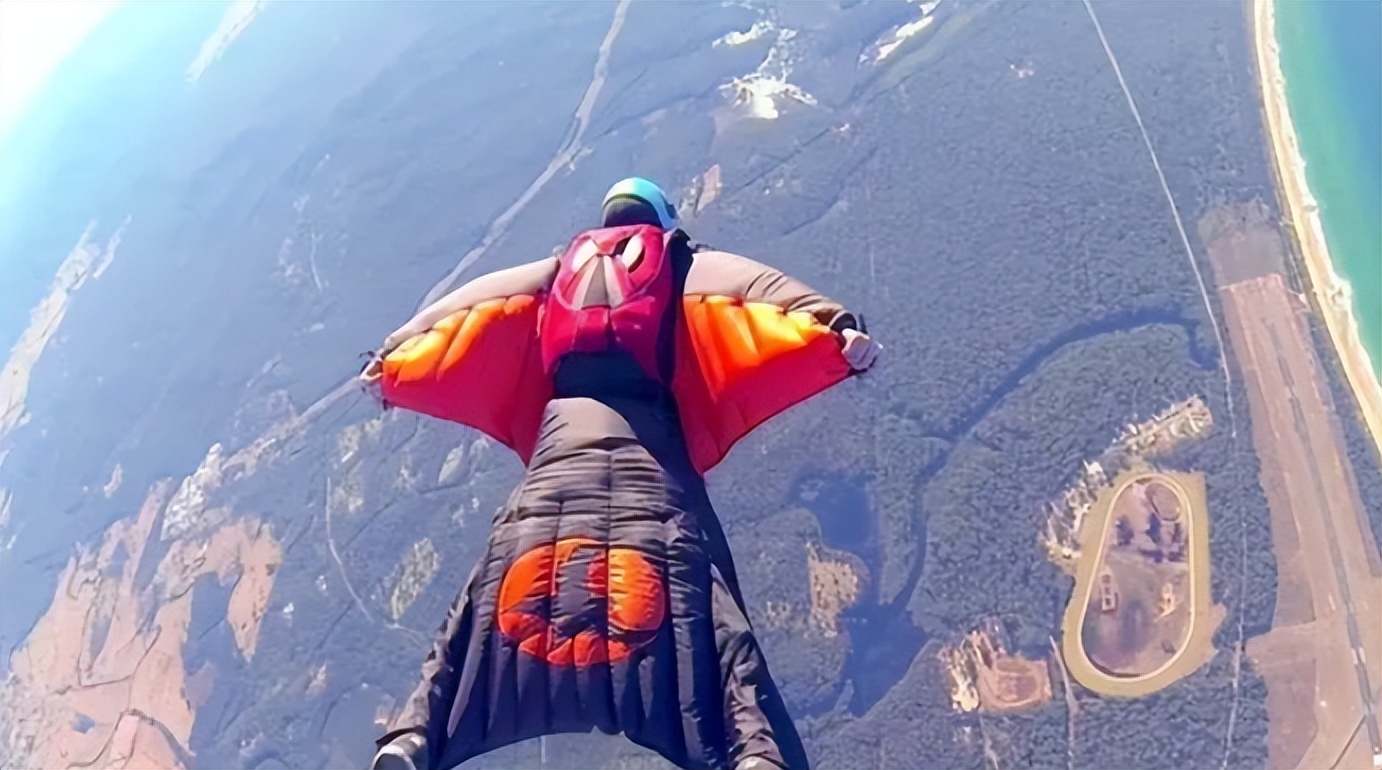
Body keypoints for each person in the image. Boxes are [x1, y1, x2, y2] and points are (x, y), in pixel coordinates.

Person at [362, 177, 882, 770]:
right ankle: (756, 754)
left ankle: (415, 735)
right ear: (662, 221)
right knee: (717, 630)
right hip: (653, 487)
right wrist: (836, 328)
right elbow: (756, 292)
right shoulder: (677, 265)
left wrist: (392, 362)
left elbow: (467, 309)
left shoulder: (556, 276)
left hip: (551, 483)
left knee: (473, 612)